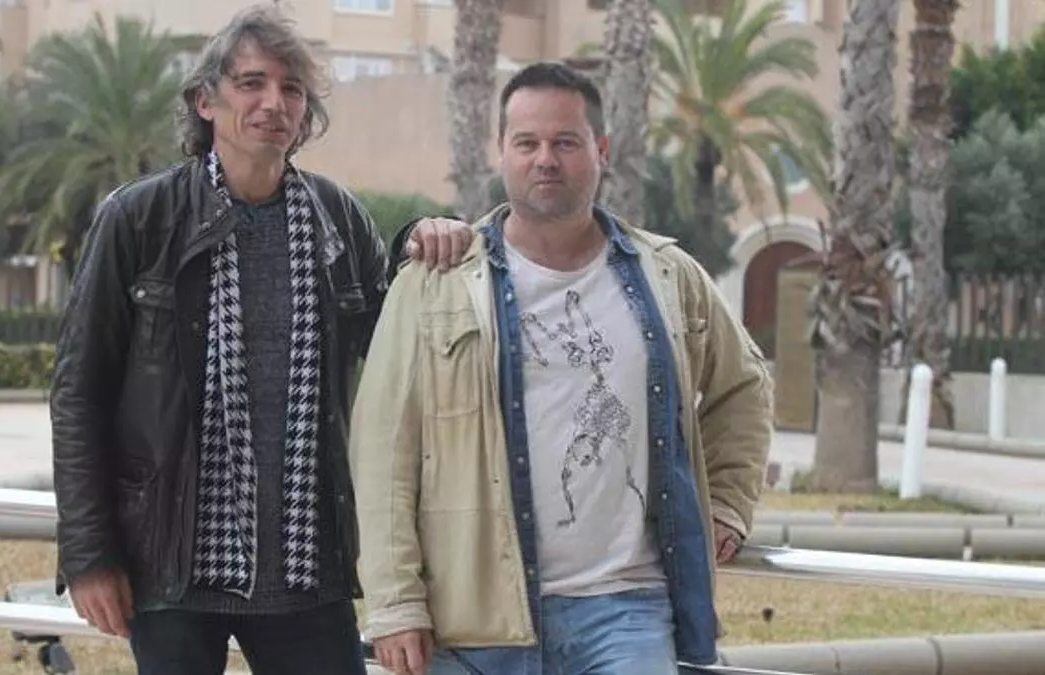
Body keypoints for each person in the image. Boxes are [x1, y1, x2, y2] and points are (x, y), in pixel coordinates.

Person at [49, 6, 472, 675]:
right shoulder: (140, 218)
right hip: (173, 565)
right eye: (252, 83)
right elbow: (79, 391)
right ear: (206, 101)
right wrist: (88, 554)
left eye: (291, 88)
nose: (274, 102)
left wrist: (420, 237)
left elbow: (398, 346)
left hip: (307, 566)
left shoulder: (338, 219)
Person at [350, 61, 774, 675]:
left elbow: (745, 385)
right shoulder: (434, 283)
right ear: (501, 150)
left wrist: (728, 503)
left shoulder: (668, 276)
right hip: (472, 617)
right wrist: (395, 603)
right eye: (527, 142)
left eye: (566, 142)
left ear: (601, 151)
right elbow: (383, 446)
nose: (545, 159)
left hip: (626, 611)